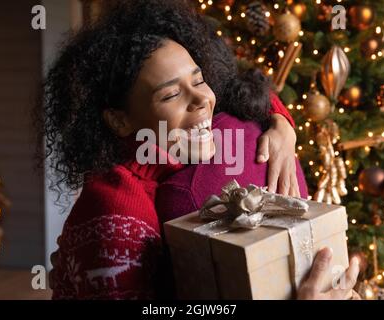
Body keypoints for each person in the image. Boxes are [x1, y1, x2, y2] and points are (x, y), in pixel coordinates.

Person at [40, 0, 359, 299]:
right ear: (119, 121)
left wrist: (282, 123)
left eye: (199, 79)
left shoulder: (163, 152)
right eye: (169, 96)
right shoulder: (115, 215)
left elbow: (235, 89)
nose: (202, 99)